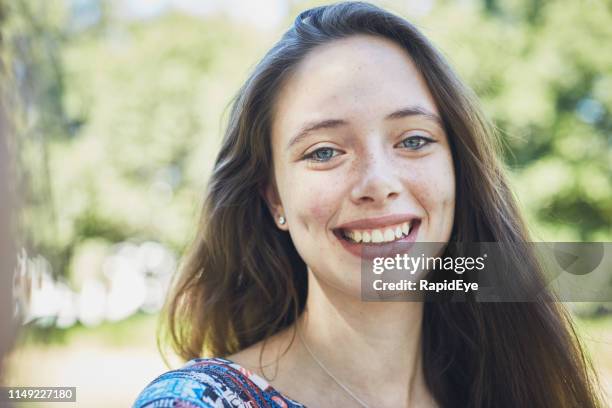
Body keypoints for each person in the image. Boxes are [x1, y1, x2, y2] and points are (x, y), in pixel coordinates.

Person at [133, 2, 603, 407]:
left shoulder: (516, 390)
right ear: (274, 196)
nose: (378, 183)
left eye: (414, 140)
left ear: (458, 169)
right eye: (324, 151)